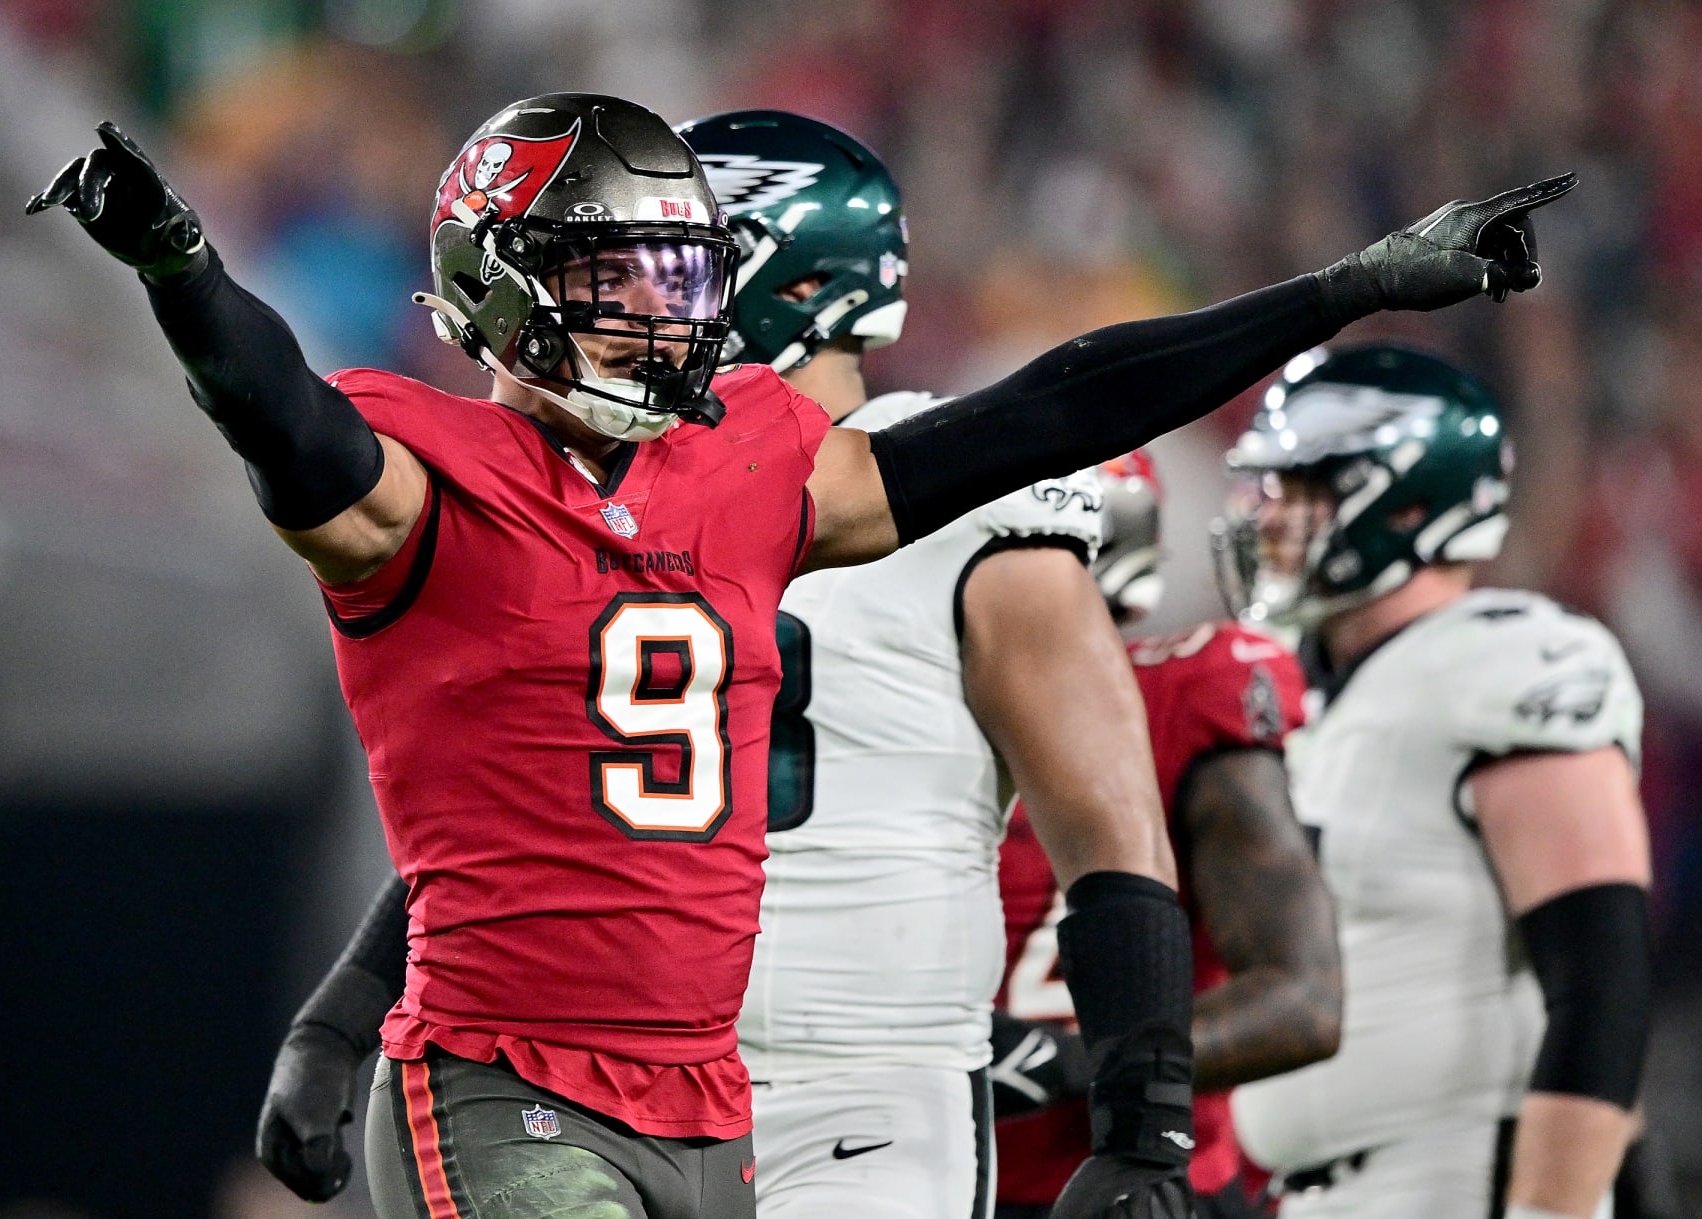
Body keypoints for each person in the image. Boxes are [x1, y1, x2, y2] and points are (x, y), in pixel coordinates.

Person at [26, 92, 1571, 1219]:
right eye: (611, 277)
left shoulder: (754, 468)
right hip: (518, 1073)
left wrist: (1349, 288)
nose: (658, 315)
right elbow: (282, 420)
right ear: (500, 283)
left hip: (736, 1098)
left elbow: (1061, 399)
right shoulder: (425, 473)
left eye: (679, 275)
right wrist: (179, 266)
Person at [253, 107, 1171, 1219]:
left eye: (664, 260)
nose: (639, 295)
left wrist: (1142, 1116)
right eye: (620, 262)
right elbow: (536, 816)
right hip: (612, 1079)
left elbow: (1114, 839)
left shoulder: (964, 506)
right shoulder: (620, 478)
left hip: (869, 1084)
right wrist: (342, 1019)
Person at [1218, 345, 1652, 1219]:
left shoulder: (1507, 657)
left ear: (1408, 501)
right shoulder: (1305, 697)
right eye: (1266, 487)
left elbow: (1603, 977)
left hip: (1459, 1181)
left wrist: (1549, 1209)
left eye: (1303, 489)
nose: (1267, 517)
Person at [989, 451, 1343, 1219]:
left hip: (1135, 1184)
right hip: (927, 1172)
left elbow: (1301, 1000)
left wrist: (1065, 1060)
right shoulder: (893, 709)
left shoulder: (1190, 689)